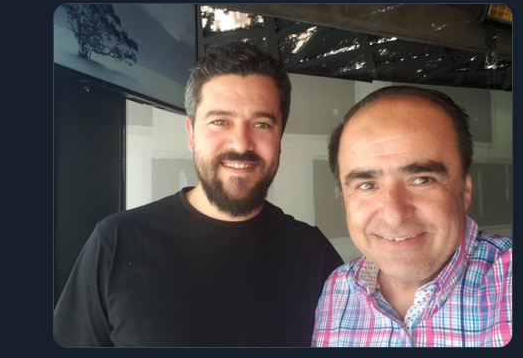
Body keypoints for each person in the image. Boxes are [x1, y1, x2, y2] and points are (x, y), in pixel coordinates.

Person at [54, 41, 343, 347]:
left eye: (261, 124)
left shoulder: (314, 255)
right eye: (220, 121)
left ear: (279, 137)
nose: (241, 144)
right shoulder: (116, 243)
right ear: (191, 135)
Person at [312, 86, 512, 347]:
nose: (394, 216)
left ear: (464, 189)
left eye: (421, 179)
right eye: (367, 185)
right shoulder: (337, 291)